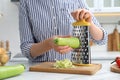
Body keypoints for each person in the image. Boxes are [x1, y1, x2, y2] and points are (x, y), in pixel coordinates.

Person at [19, 0, 107, 62]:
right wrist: (48, 43)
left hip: (73, 69)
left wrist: (90, 23)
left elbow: (102, 39)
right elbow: (26, 48)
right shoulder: (26, 2)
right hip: (41, 71)